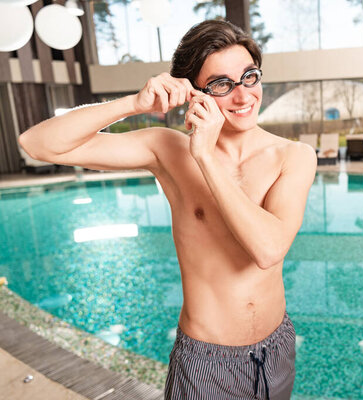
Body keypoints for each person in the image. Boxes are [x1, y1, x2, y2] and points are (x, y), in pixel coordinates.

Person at [19, 20, 317, 400]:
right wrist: (133, 104)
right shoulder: (168, 150)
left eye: (249, 77)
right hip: (206, 364)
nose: (243, 97)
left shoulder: (294, 156)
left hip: (276, 350)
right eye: (222, 84)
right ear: (195, 93)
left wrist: (206, 157)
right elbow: (38, 144)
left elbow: (269, 248)